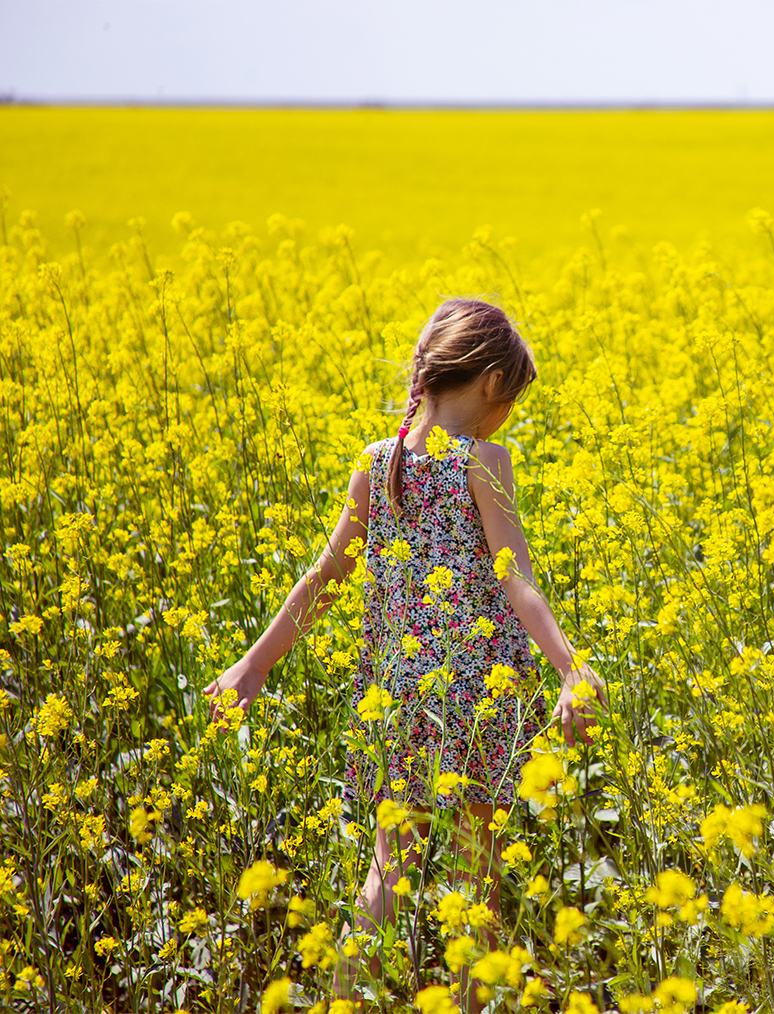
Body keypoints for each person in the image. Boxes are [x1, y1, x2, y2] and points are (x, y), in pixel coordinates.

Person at [204, 297, 605, 1006]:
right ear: (489, 383)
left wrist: (254, 665)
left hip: (397, 692)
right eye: (512, 396)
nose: (508, 411)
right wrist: (572, 668)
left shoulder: (378, 460)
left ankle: (343, 998)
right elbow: (517, 580)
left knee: (390, 864)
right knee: (472, 871)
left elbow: (325, 576)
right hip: (476, 692)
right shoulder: (484, 460)